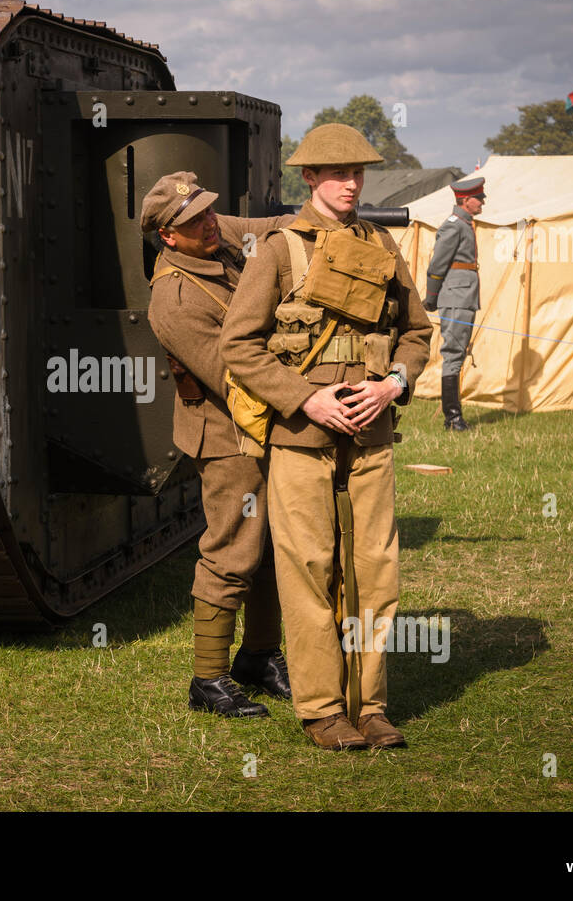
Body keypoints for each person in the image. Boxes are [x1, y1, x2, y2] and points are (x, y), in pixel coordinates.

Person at [220, 125, 432, 749]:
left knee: (375, 574)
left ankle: (370, 707)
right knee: (309, 570)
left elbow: (417, 333)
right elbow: (239, 345)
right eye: (335, 172)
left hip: (370, 438)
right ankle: (321, 711)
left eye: (358, 172)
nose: (350, 182)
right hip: (299, 439)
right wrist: (304, 396)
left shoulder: (383, 245)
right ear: (308, 178)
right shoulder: (279, 250)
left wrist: (394, 382)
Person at [142, 172, 293, 718]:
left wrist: (324, 218)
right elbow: (237, 379)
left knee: (272, 543)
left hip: (263, 420)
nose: (210, 222)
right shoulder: (175, 298)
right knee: (233, 549)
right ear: (168, 237)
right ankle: (207, 680)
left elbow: (272, 226)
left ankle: (259, 657)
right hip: (229, 433)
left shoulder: (211, 231)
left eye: (208, 211)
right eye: (194, 221)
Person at [422, 177, 485, 431]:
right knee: (453, 355)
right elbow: (437, 265)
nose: (482, 201)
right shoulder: (454, 226)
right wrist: (432, 297)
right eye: (478, 197)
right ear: (464, 200)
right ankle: (453, 418)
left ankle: (454, 416)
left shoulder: (465, 224)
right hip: (456, 297)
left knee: (457, 354)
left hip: (464, 296)